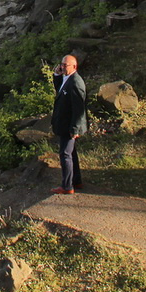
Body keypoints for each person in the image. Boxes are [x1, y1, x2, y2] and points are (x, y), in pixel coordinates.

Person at [50, 53, 87, 195]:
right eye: (62, 64)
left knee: (65, 154)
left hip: (69, 125)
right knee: (71, 153)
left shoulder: (76, 83)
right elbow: (60, 90)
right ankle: (76, 180)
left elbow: (79, 109)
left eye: (66, 65)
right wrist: (57, 75)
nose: (62, 67)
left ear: (74, 66)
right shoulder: (68, 78)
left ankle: (67, 186)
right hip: (64, 123)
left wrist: (75, 128)